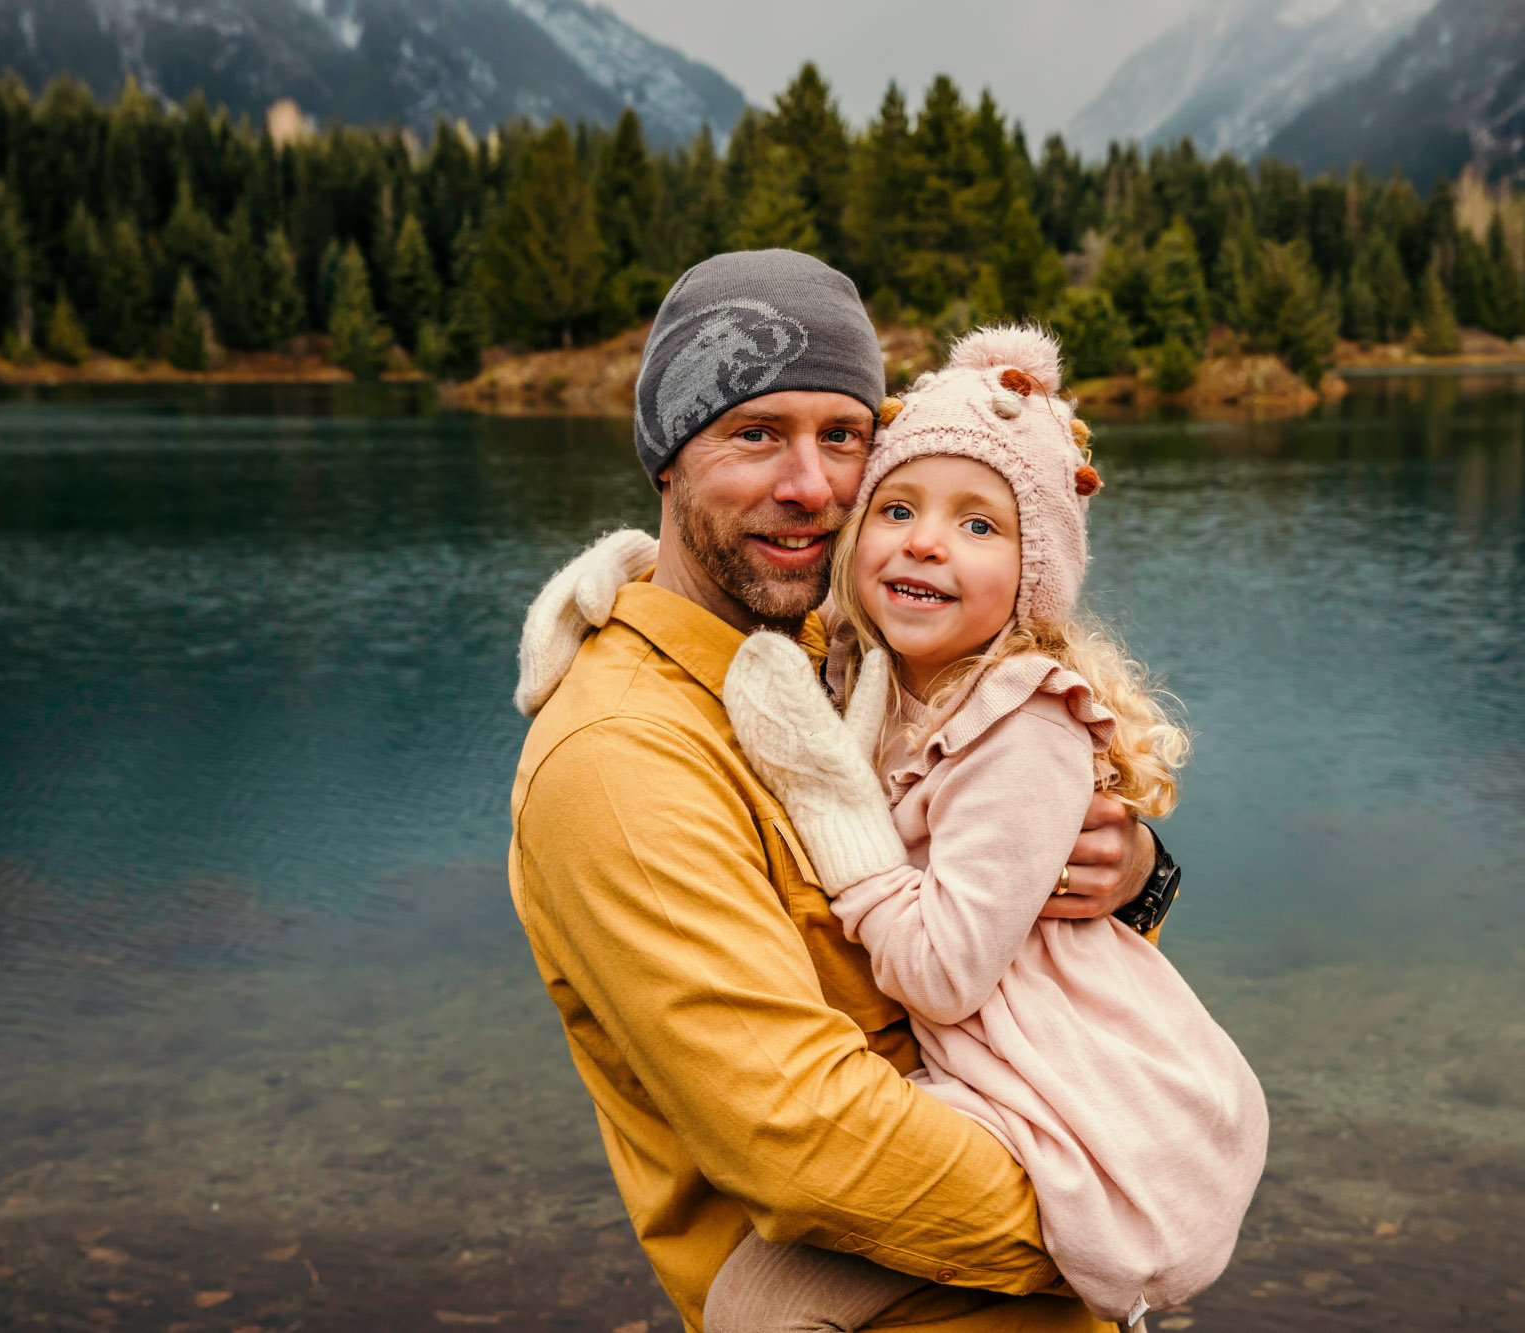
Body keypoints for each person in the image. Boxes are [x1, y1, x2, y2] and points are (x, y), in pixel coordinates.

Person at [508, 250, 1177, 1333]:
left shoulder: (853, 654)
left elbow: (1022, 946)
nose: (811, 486)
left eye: (843, 434)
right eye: (755, 433)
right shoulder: (621, 759)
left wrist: (1132, 876)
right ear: (666, 458)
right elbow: (806, 1144)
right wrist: (1110, 1222)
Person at [701, 327, 1267, 1333]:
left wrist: (842, 830)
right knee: (755, 1297)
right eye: (900, 508)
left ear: (1030, 577)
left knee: (757, 1303)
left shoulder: (1020, 720)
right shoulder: (873, 674)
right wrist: (612, 586)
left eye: (978, 526)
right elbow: (713, 617)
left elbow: (943, 972)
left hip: (1061, 1090)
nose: (925, 541)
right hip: (985, 1067)